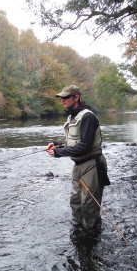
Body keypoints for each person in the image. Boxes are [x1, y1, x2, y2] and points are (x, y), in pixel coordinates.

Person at [46, 84, 110, 236]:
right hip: (78, 165)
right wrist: (56, 144)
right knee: (75, 201)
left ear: (77, 98)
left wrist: (58, 153)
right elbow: (73, 141)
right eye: (61, 98)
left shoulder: (88, 117)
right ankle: (78, 232)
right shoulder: (71, 117)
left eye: (66, 97)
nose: (63, 101)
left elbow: (85, 146)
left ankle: (92, 234)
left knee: (89, 205)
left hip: (92, 165)